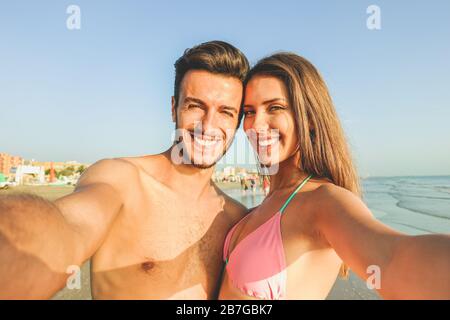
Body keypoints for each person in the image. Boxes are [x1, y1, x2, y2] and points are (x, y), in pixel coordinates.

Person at [0, 41, 250, 299]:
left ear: (237, 122)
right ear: (173, 107)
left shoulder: (236, 218)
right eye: (195, 106)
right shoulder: (120, 180)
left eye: (225, 112)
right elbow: (68, 225)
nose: (208, 125)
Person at [219, 52, 450, 300]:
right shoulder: (269, 200)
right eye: (250, 111)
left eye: (275, 108)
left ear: (308, 118)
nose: (255, 124)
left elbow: (393, 258)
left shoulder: (325, 202)